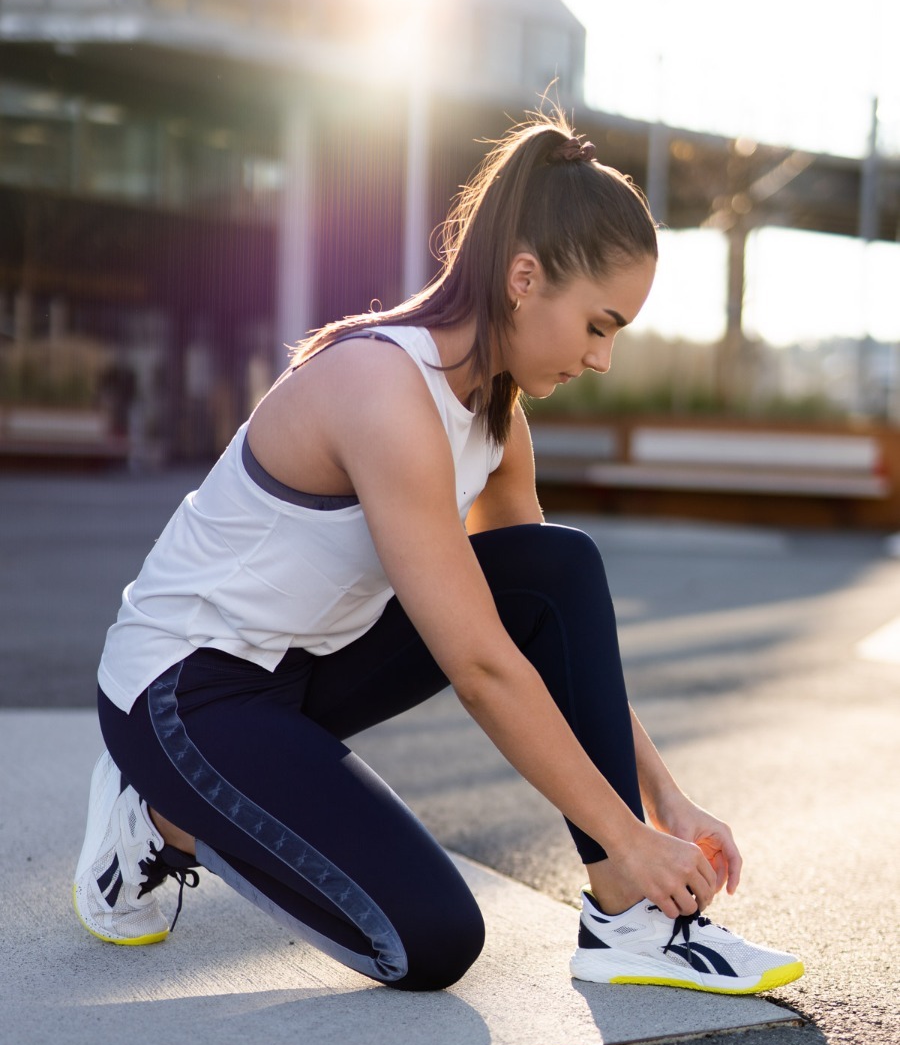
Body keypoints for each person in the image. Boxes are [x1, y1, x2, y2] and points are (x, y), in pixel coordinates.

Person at [73, 112, 803, 996]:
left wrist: (662, 807)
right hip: (184, 691)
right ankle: (161, 814)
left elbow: (543, 641)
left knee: (554, 568)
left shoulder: (498, 419)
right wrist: (630, 833)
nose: (604, 359)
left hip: (305, 673)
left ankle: (627, 921)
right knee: (432, 941)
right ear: (524, 279)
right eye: (599, 326)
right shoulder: (381, 387)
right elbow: (481, 666)